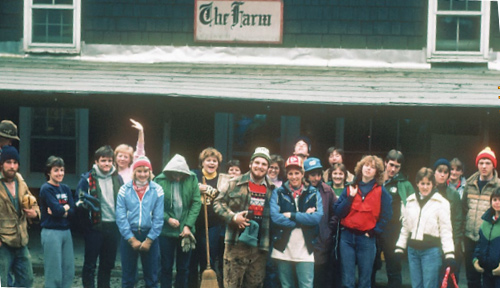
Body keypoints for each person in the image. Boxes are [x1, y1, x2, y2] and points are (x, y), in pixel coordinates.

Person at [213, 147, 274, 288]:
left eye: (264, 164)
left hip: (260, 246)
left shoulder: (272, 188)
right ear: (250, 164)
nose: (260, 166)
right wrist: (233, 217)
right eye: (257, 162)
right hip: (236, 244)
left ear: (268, 167)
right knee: (231, 284)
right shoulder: (234, 183)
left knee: (255, 285)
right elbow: (217, 203)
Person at [334, 155, 392, 288]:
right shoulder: (350, 188)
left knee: (365, 281)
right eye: (366, 165)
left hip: (366, 239)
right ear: (361, 167)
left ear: (376, 172)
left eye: (372, 167)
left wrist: (375, 231)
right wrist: (350, 198)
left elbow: (387, 215)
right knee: (347, 280)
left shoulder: (381, 191)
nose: (368, 169)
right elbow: (337, 211)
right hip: (347, 238)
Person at [395, 167, 455, 288]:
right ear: (417, 184)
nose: (425, 187)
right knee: (416, 285)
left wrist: (449, 253)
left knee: (429, 285)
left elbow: (446, 230)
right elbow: (405, 227)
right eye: (422, 183)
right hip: (413, 251)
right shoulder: (410, 201)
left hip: (431, 251)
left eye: (428, 183)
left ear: (433, 184)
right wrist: (400, 247)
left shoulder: (442, 203)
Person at [270, 155, 323, 288]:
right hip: (283, 247)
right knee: (286, 285)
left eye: (297, 173)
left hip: (306, 248)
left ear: (303, 173)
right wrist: (303, 218)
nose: (294, 177)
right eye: (290, 173)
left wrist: (292, 215)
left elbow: (317, 217)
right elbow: (275, 217)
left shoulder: (313, 193)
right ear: (286, 175)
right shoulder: (278, 193)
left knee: (306, 285)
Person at [76, 145, 124, 288]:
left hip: (113, 226)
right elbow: (78, 202)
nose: (107, 164)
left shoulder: (118, 178)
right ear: (96, 161)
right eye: (103, 160)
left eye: (110, 161)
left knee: (107, 265)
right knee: (90, 264)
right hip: (95, 227)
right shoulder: (86, 179)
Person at [116, 156, 164, 288]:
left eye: (146, 171)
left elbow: (158, 218)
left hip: (150, 235)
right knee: (128, 277)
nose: (142, 174)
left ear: (150, 172)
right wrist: (131, 239)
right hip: (129, 235)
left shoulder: (157, 190)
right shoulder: (124, 189)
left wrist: (149, 240)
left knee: (152, 277)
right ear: (134, 172)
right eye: (139, 171)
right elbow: (120, 216)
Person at [155, 154, 201, 288]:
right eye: (175, 174)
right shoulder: (159, 180)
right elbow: (155, 205)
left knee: (183, 268)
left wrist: (188, 226)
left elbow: (196, 203)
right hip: (166, 231)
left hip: (185, 232)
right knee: (166, 267)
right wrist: (167, 219)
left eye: (181, 174)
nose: (178, 177)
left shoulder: (192, 178)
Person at [372, 150, 414, 288]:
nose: (393, 169)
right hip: (374, 228)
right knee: (371, 264)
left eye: (397, 166)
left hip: (393, 230)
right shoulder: (375, 179)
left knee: (393, 266)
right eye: (391, 165)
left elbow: (413, 206)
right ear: (385, 162)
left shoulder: (404, 183)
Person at [0, 146, 39, 288]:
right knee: (2, 283)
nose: (12, 166)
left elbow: (33, 201)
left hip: (21, 241)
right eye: (8, 162)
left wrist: (35, 213)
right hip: (3, 243)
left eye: (15, 162)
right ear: (1, 164)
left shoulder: (20, 181)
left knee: (27, 281)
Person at [463, 147, 500, 288]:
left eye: (488, 163)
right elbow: (464, 208)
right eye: (481, 162)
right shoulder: (469, 184)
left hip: (490, 241)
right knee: (472, 279)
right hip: (469, 238)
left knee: (490, 280)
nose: (484, 166)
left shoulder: (498, 186)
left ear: (493, 165)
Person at [189, 147, 224, 288]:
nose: (211, 163)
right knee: (191, 259)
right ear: (202, 162)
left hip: (213, 225)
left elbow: (225, 198)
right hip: (194, 223)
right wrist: (196, 189)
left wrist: (210, 191)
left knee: (208, 258)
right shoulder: (194, 176)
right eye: (208, 160)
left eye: (214, 161)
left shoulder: (222, 179)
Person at [39, 156, 76, 288]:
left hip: (66, 232)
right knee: (54, 272)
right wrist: (63, 209)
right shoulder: (46, 188)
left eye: (62, 170)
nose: (60, 173)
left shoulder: (65, 188)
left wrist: (63, 210)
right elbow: (56, 209)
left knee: (68, 270)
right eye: (56, 170)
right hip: (51, 232)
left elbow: (72, 210)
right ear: (49, 172)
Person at [303, 157, 338, 288]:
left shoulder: (327, 190)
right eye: (312, 175)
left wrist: (329, 229)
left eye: (318, 174)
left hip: (322, 242)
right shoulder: (300, 190)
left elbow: (335, 212)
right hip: (304, 242)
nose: (316, 178)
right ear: (306, 175)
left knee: (320, 277)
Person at [433, 158, 464, 284]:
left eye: (445, 172)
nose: (442, 174)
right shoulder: (428, 190)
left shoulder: (453, 194)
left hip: (448, 241)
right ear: (434, 172)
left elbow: (457, 220)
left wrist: (455, 243)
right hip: (432, 240)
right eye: (439, 171)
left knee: (448, 278)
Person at [472, 187, 500, 287]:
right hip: (487, 272)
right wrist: (475, 259)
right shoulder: (485, 222)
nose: (497, 202)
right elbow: (479, 243)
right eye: (495, 199)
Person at [114, 119, 145, 183]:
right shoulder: (111, 171)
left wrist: (141, 132)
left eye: (126, 157)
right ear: (115, 157)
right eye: (120, 156)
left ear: (130, 159)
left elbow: (140, 150)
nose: (122, 159)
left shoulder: (132, 170)